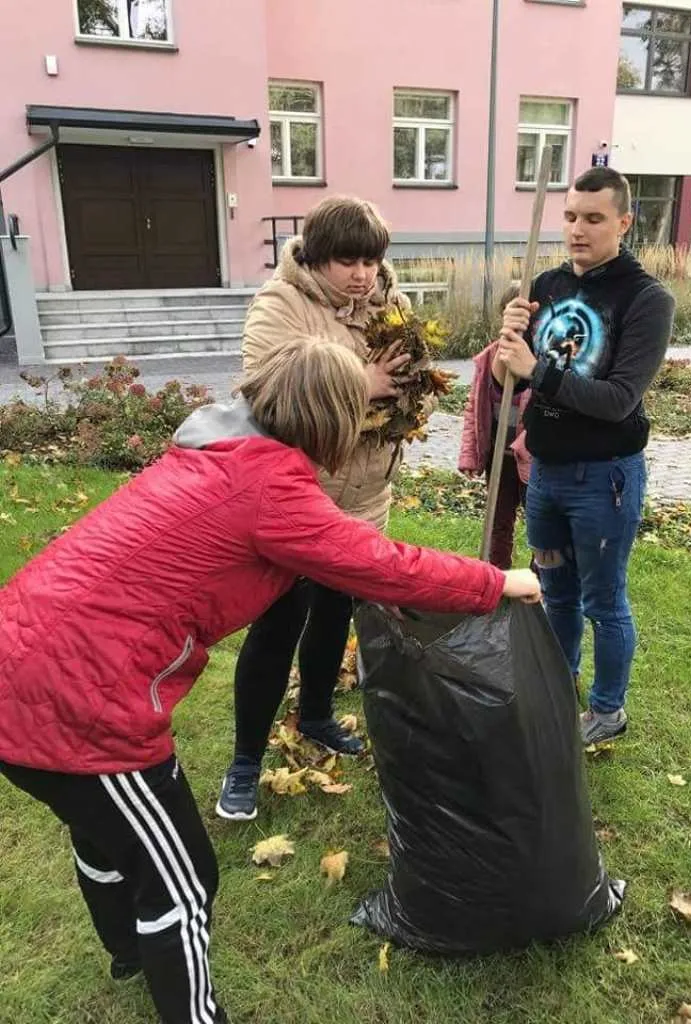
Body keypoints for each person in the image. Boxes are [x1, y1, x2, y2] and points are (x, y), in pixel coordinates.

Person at [0, 337, 540, 1024]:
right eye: (359, 409)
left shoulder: (213, 452)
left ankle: (130, 952)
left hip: (17, 661)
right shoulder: (267, 487)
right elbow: (382, 564)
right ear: (329, 416)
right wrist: (498, 580)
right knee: (184, 882)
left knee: (102, 831)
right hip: (80, 697)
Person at [217, 196, 417, 822]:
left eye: (370, 261)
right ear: (315, 255)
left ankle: (319, 717)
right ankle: (245, 759)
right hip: (298, 499)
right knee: (279, 622)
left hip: (364, 496)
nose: (361, 274)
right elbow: (270, 397)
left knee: (335, 612)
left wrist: (409, 398)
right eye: (346, 262)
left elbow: (412, 377)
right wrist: (367, 383)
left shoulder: (393, 303)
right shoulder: (281, 304)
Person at [494, 166, 675, 745]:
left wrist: (537, 369)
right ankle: (560, 684)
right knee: (555, 591)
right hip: (544, 474)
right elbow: (510, 381)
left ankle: (607, 710)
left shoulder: (647, 299)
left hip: (604, 481)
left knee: (603, 600)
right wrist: (509, 344)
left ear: (623, 222)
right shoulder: (546, 286)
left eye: (593, 218)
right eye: (570, 216)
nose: (578, 229)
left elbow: (620, 400)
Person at [458, 285, 532, 569]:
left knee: (540, 526)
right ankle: (497, 578)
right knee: (498, 522)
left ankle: (540, 584)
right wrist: (470, 456)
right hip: (499, 457)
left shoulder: (542, 361)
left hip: (531, 459)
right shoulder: (489, 358)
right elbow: (474, 409)